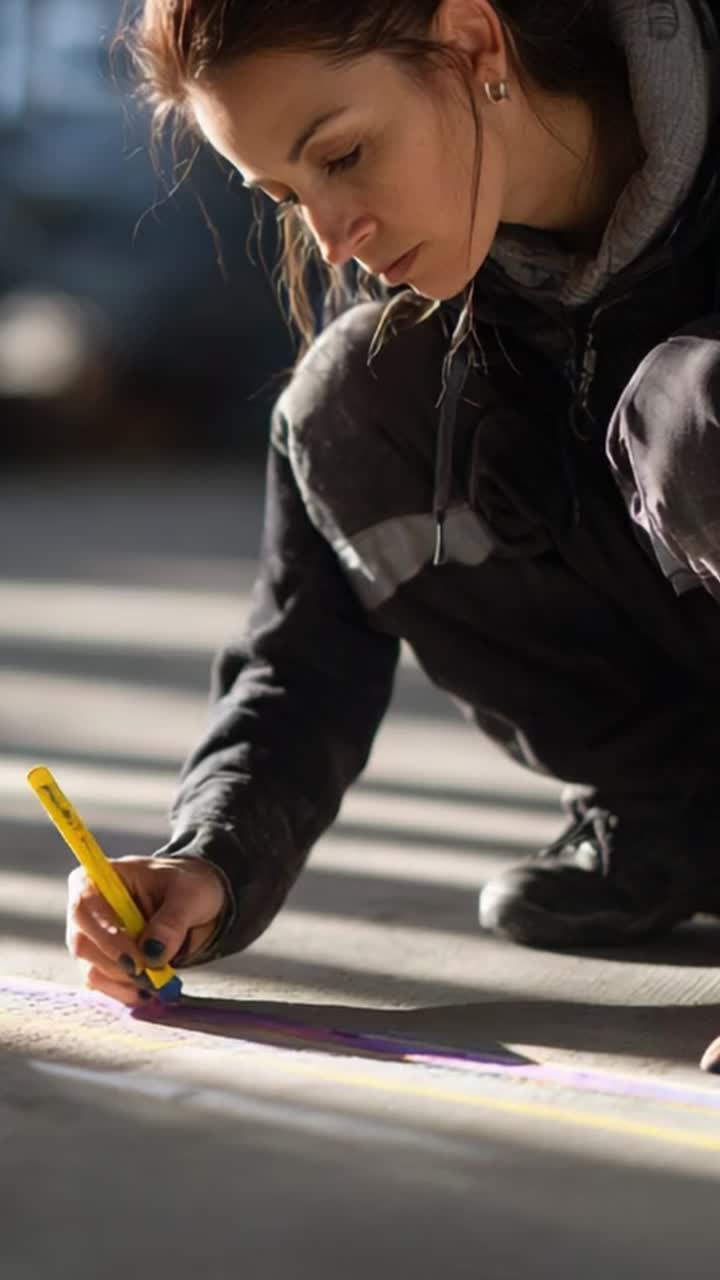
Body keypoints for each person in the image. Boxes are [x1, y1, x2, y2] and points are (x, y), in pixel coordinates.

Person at [67, 0, 720, 1007]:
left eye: (343, 153)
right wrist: (211, 859)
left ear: (471, 41)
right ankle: (677, 819)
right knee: (347, 398)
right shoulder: (429, 267)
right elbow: (305, 648)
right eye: (287, 196)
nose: (330, 238)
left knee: (695, 409)